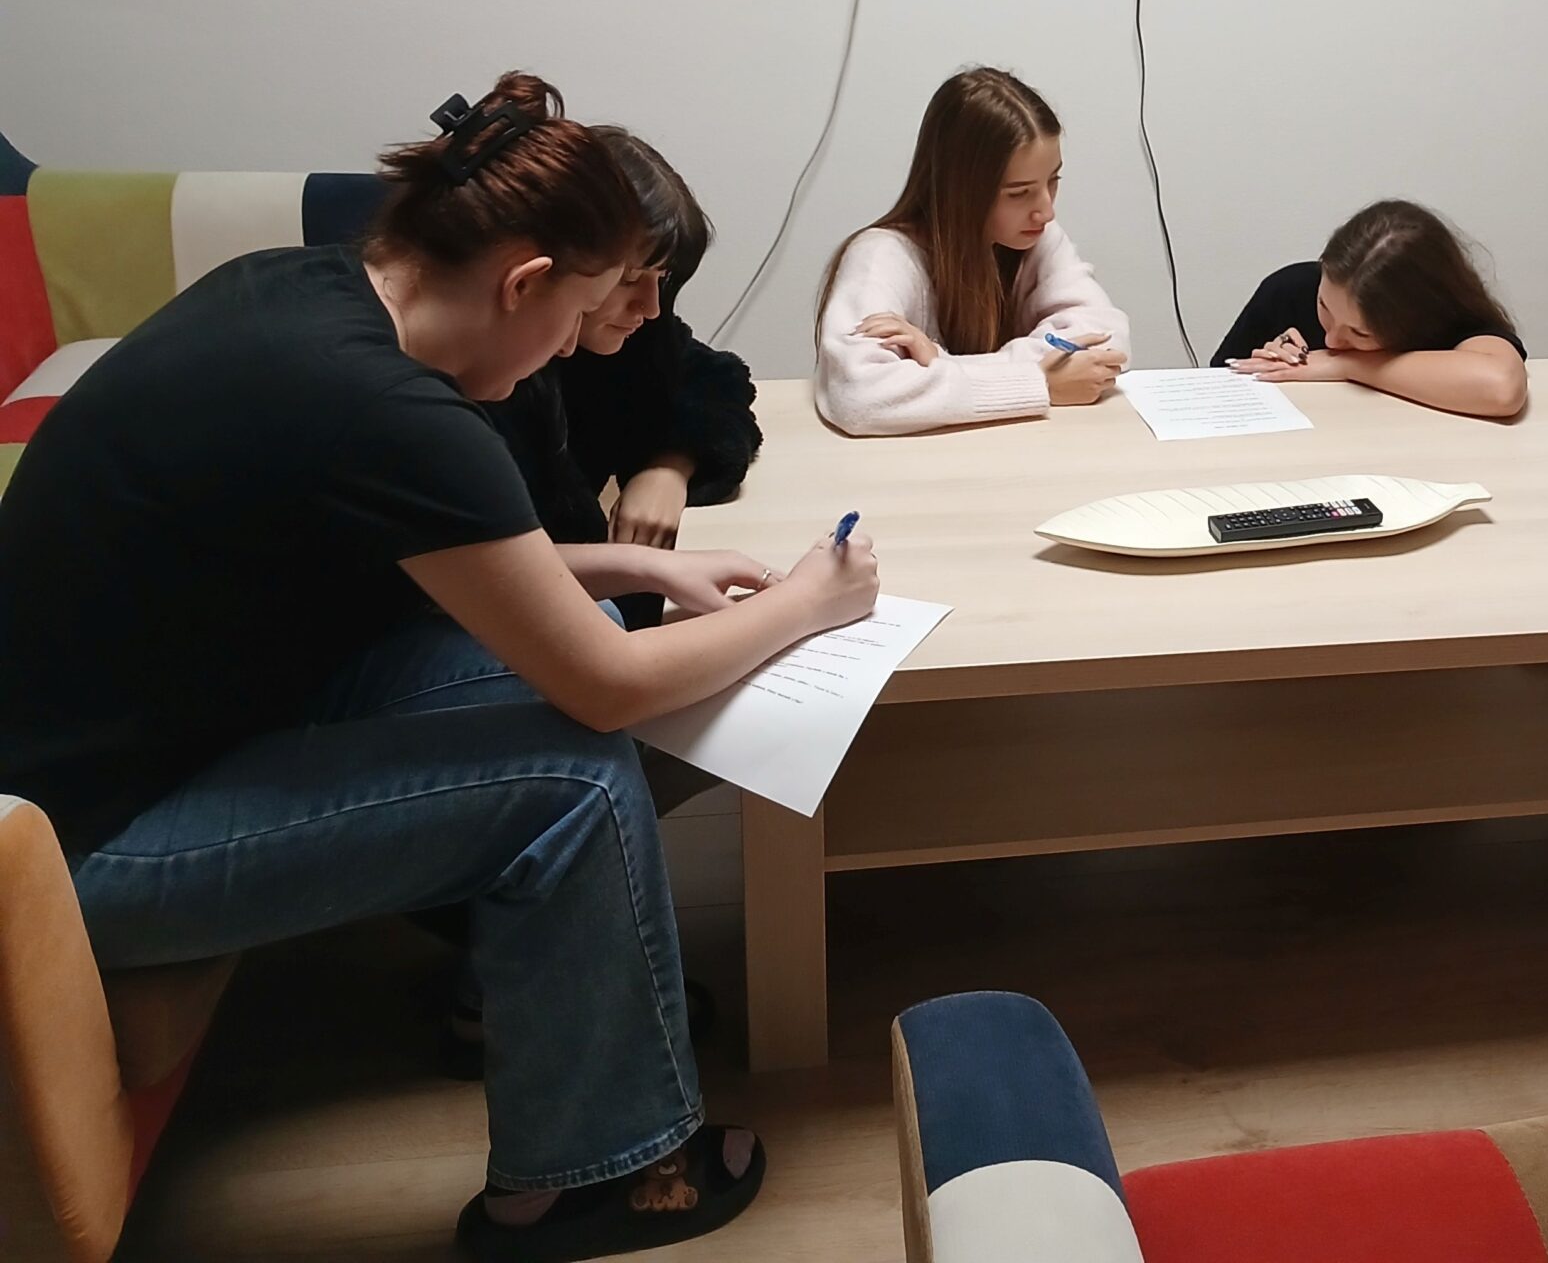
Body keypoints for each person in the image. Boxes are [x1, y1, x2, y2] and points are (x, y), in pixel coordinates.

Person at [0, 75, 881, 1260]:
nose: (573, 344)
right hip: (71, 852)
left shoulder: (300, 294)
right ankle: (580, 1185)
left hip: (155, 739)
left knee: (554, 660)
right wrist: (812, 602)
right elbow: (606, 688)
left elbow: (470, 572)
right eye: (580, 314)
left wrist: (640, 566)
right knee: (573, 782)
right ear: (525, 282)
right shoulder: (389, 408)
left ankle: (529, 1002)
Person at [491, 126, 762, 621]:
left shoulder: (636, 337)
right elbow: (489, 565)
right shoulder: (487, 375)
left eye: (662, 279)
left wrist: (669, 466)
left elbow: (718, 378)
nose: (651, 307)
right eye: (628, 279)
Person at [815, 67, 1129, 434]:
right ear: (960, 189)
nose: (1046, 211)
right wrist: (1039, 383)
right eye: (1019, 193)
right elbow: (858, 396)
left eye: (1053, 180)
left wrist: (940, 364)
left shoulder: (1038, 237)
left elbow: (1106, 343)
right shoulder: (880, 257)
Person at [1215, 199, 1528, 418]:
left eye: (1360, 333)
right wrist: (1269, 365)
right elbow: (1213, 392)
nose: (1333, 340)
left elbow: (1501, 388)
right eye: (1324, 305)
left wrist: (1345, 365)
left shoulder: (1450, 322)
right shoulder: (1290, 289)